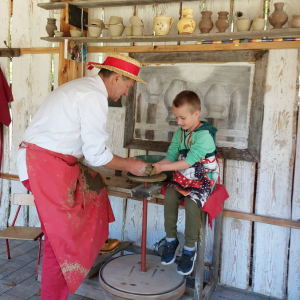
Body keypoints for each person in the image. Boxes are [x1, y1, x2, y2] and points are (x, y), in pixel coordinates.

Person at [16, 53, 147, 299]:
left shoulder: (82, 87)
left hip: (49, 164)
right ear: (117, 77)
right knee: (60, 245)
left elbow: (87, 153)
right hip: (43, 166)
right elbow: (96, 155)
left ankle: (92, 244)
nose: (127, 93)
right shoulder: (93, 96)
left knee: (95, 184)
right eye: (128, 86)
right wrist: (130, 165)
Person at [152, 90, 219, 276]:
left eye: (182, 117)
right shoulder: (179, 133)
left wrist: (162, 169)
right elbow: (172, 156)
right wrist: (156, 165)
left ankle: (190, 248)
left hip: (204, 177)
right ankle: (171, 240)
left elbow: (188, 162)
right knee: (170, 195)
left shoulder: (204, 136)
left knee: (191, 203)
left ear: (196, 113)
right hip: (185, 175)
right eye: (176, 118)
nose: (179, 122)